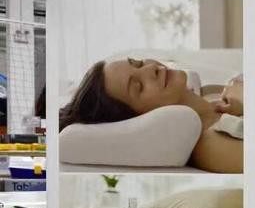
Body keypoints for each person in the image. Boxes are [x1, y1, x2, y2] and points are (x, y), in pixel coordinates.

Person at [58, 58, 242, 173]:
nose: (151, 68)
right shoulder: (209, 146)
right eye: (138, 86)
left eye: (139, 63)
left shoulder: (213, 93)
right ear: (140, 118)